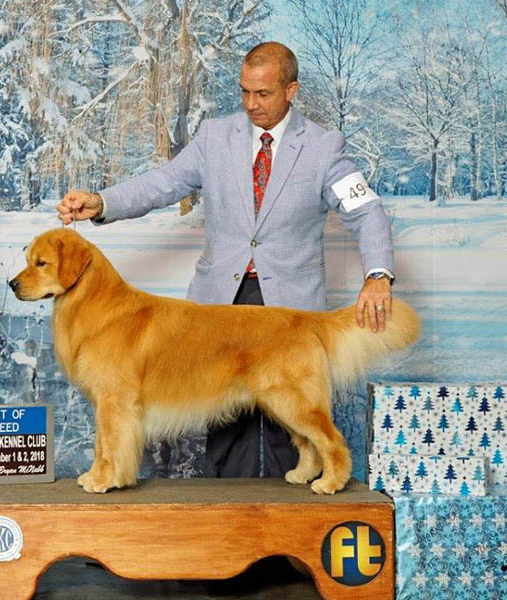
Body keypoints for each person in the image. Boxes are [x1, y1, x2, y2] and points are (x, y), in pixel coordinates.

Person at [57, 41, 394, 480]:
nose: (252, 105)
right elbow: (162, 183)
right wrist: (102, 202)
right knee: (223, 427)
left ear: (291, 90)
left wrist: (378, 275)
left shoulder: (325, 147)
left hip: (288, 309)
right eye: (245, 93)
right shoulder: (215, 137)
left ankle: (284, 538)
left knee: (286, 426)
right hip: (218, 304)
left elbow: (365, 209)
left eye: (264, 94)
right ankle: (227, 529)